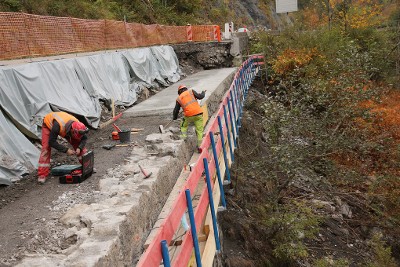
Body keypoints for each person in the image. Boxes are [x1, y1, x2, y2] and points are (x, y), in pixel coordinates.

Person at [37, 111, 89, 184]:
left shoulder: (78, 125)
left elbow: (84, 138)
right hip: (48, 125)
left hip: (66, 128)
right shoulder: (57, 126)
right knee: (46, 148)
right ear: (72, 130)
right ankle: (42, 175)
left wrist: (79, 148)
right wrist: (66, 150)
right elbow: (52, 142)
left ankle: (87, 167)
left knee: (77, 142)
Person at [173, 85, 206, 153]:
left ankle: (183, 136)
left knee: (183, 125)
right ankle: (200, 146)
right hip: (198, 114)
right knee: (199, 131)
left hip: (189, 116)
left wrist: (174, 117)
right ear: (185, 89)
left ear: (179, 92)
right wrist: (203, 92)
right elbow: (200, 97)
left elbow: (176, 110)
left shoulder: (179, 98)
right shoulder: (191, 91)